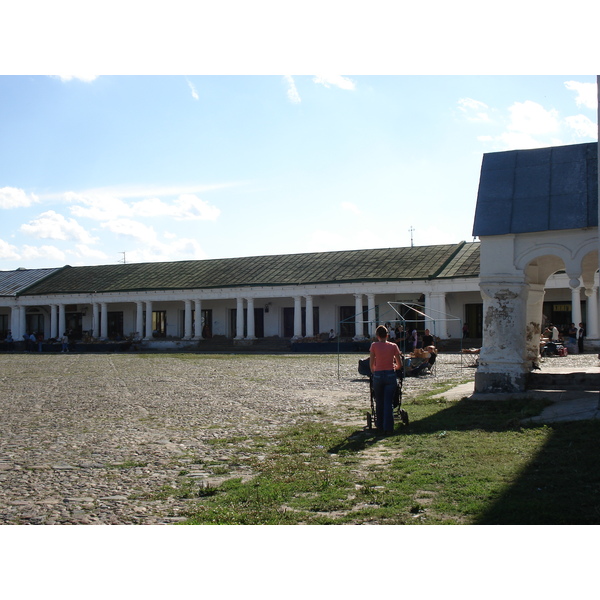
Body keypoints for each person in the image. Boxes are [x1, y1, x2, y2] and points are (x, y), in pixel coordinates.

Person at [369, 325, 402, 435]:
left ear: (377, 336)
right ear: (387, 335)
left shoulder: (374, 346)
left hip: (378, 374)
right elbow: (399, 364)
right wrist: (395, 368)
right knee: (388, 402)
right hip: (390, 375)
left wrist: (375, 371)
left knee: (379, 401)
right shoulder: (393, 346)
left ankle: (380, 425)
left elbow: (371, 363)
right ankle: (388, 427)